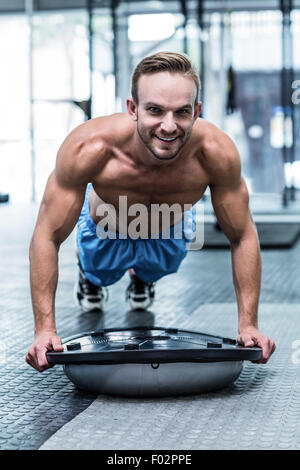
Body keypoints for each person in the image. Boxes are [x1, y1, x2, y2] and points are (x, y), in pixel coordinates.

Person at [26, 52, 275, 372]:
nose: (169, 126)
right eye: (155, 110)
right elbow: (47, 234)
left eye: (182, 112)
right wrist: (44, 330)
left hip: (167, 228)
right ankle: (89, 275)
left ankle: (142, 276)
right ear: (133, 109)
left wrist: (248, 325)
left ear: (196, 111)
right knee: (102, 271)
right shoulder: (90, 147)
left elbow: (241, 234)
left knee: (161, 266)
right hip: (108, 225)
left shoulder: (216, 152)